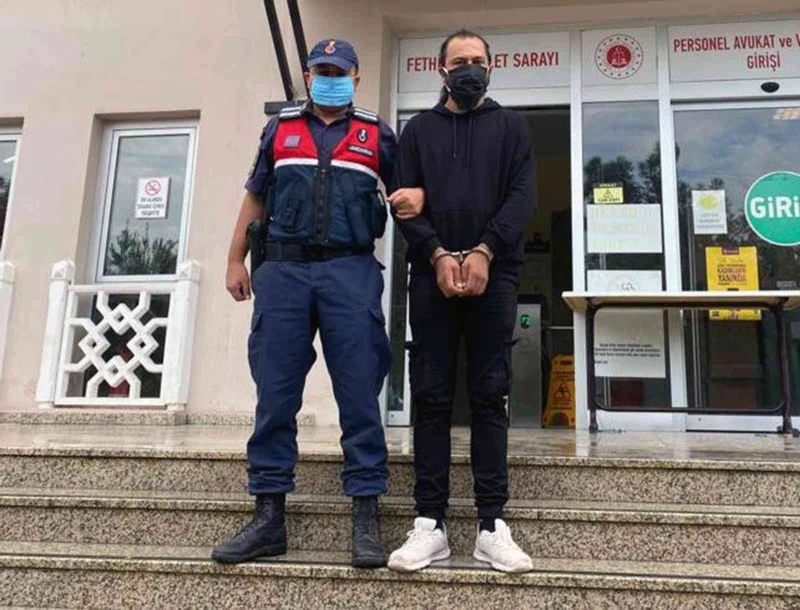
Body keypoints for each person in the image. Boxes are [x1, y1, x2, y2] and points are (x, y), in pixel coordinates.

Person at [213, 38, 424, 569]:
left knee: (359, 391)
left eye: (339, 71)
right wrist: (235, 259)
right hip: (283, 271)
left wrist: (422, 205)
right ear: (308, 77)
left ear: (356, 78)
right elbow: (255, 195)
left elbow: (408, 196)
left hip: (349, 270)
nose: (330, 78)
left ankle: (365, 516)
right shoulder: (280, 128)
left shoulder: (377, 133)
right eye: (321, 71)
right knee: (275, 392)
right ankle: (268, 517)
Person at [388, 30, 536, 574]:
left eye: (478, 60)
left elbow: (521, 197)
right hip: (432, 276)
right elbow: (404, 204)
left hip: (494, 274)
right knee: (430, 395)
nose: (469, 68)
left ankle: (491, 524)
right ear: (441, 70)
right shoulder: (417, 131)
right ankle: (430, 523)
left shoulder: (512, 127)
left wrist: (484, 250)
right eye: (460, 61)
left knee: (489, 393)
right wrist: (435, 254)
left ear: (491, 68)